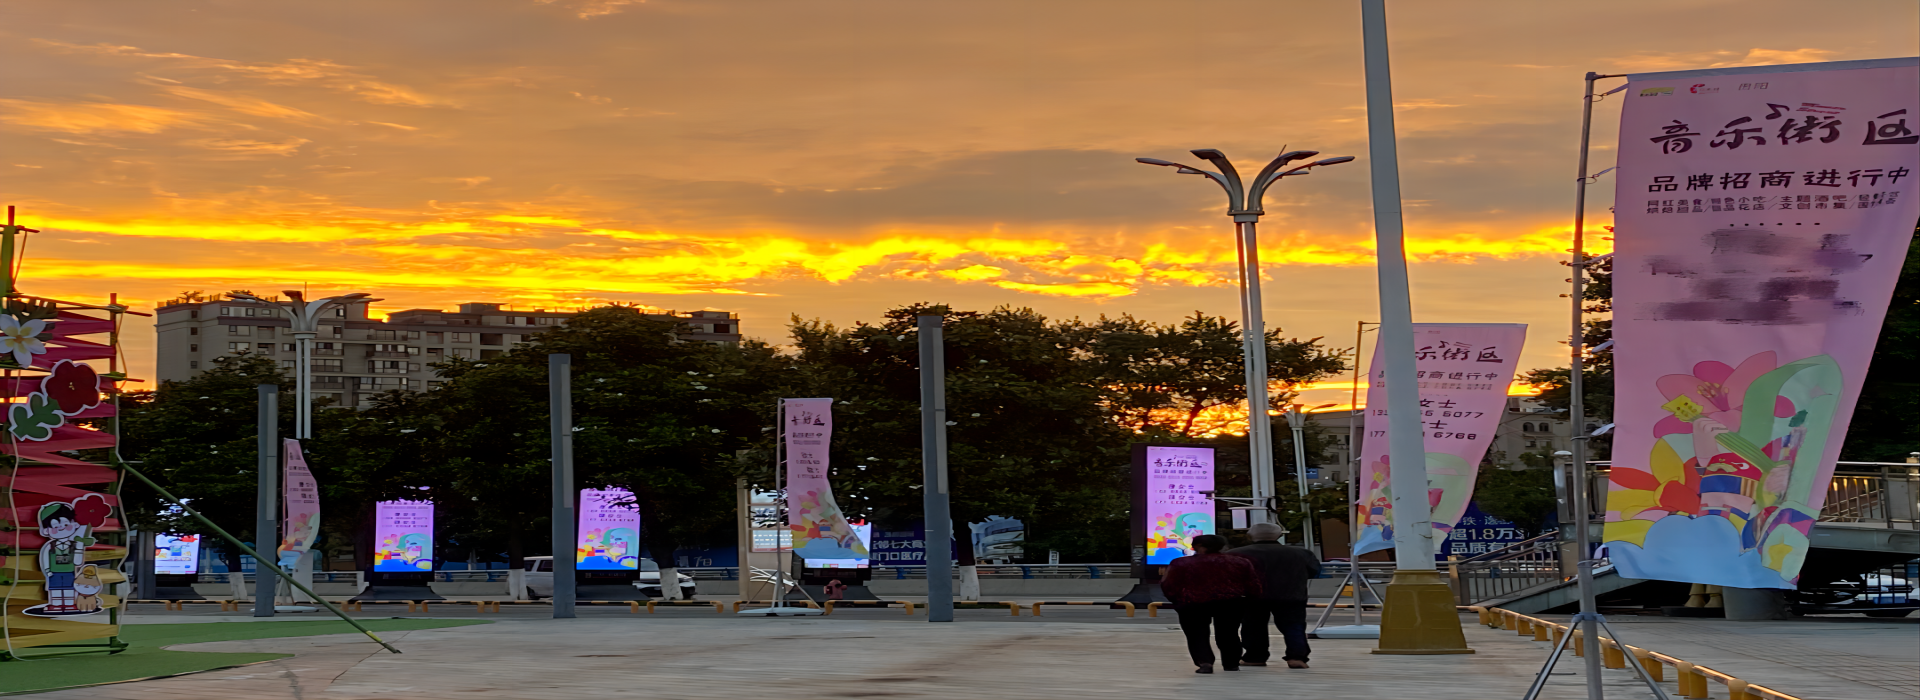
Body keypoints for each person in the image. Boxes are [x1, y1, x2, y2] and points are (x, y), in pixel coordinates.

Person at [1159, 534, 1262, 674]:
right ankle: (1231, 663)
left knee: (1196, 634)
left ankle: (1204, 662)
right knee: (1229, 633)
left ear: (1198, 546)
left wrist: (1177, 600)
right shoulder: (1239, 562)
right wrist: (1248, 600)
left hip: (1192, 603)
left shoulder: (1181, 563)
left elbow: (1169, 584)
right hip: (1230, 602)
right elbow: (1252, 584)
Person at [1229, 522, 1322, 669]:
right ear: (1279, 535)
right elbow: (1314, 572)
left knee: (1253, 626)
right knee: (1294, 626)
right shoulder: (1301, 553)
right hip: (1292, 595)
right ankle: (1297, 657)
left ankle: (1255, 657)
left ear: (1250, 535)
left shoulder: (1236, 553)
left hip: (1252, 597)